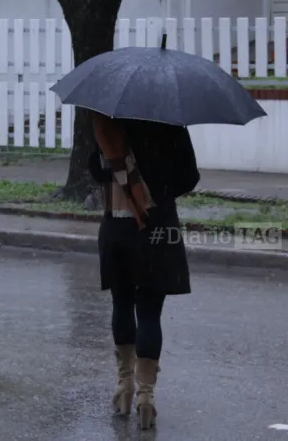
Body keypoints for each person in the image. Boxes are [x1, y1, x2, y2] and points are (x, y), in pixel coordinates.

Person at [87, 118, 200, 430]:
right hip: (157, 226)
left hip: (117, 226)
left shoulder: (108, 122)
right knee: (149, 313)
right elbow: (189, 177)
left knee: (122, 304)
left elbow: (96, 170)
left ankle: (124, 385)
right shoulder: (170, 124)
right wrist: (159, 190)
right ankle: (146, 398)